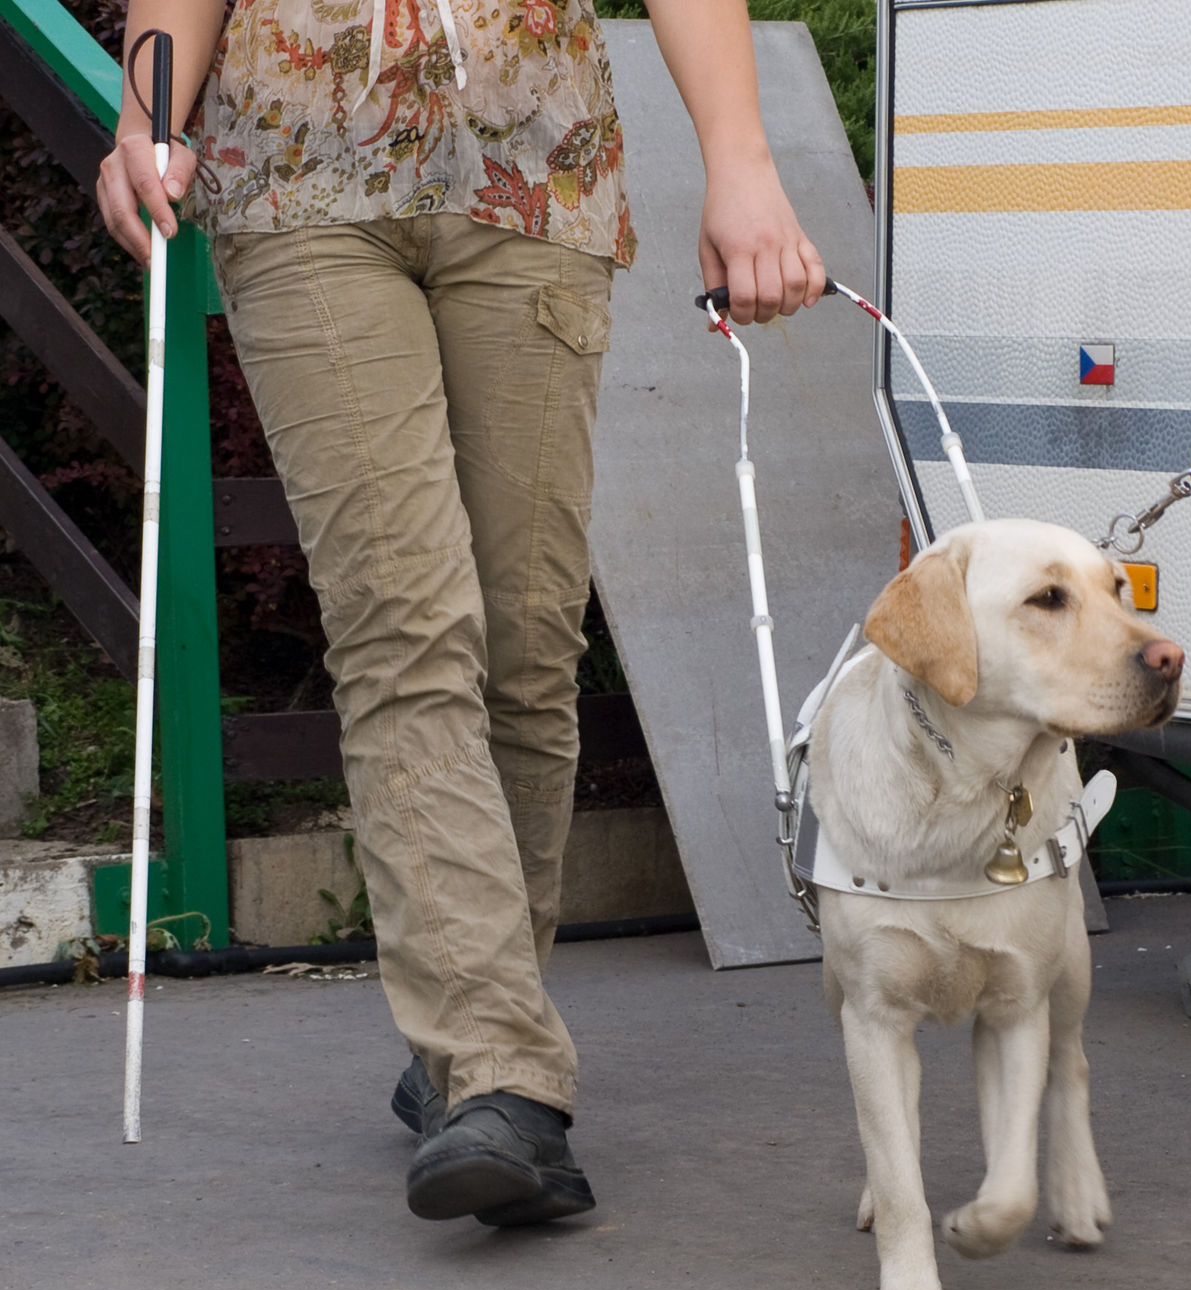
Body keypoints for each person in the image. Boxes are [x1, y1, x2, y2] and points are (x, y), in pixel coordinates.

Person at [98, 0, 826, 1228]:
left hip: (538, 169)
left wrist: (740, 161)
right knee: (403, 628)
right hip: (300, 174)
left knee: (526, 644)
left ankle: (471, 1040)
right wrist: (144, 116)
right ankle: (498, 1067)